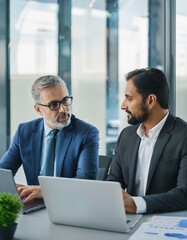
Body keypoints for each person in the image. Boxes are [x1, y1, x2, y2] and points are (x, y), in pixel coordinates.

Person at [0, 75, 99, 203]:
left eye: (65, 100)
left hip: (70, 204)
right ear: (38, 109)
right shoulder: (24, 132)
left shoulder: (87, 133)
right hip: (34, 206)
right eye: (54, 105)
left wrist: (45, 191)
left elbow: (86, 182)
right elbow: (3, 173)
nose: (63, 109)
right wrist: (15, 189)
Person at [106, 67, 187, 214]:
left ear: (150, 100)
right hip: (127, 220)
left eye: (129, 98)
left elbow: (184, 194)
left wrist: (137, 204)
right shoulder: (126, 136)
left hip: (166, 222)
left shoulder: (183, 135)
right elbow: (114, 180)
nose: (123, 105)